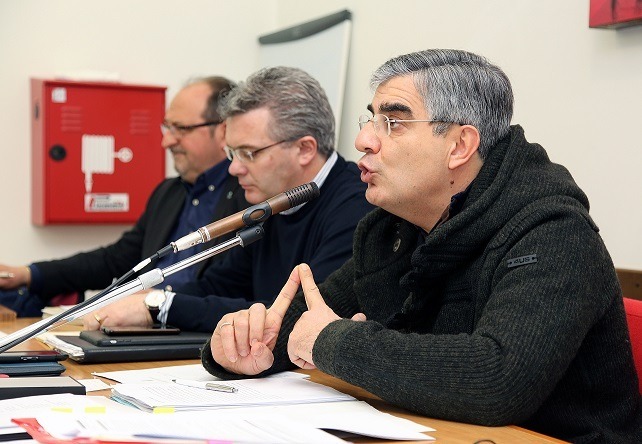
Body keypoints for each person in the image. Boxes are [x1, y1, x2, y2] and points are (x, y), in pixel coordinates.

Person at [201, 50, 642, 443]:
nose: (363, 141)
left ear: (459, 145)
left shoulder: (554, 231)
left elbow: (496, 380)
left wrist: (334, 342)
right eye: (370, 120)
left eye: (393, 122)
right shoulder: (392, 229)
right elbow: (304, 325)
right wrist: (237, 346)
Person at [83, 66, 374, 333]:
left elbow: (297, 315)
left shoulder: (358, 207)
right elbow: (222, 284)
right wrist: (145, 298)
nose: (234, 169)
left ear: (305, 149)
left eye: (248, 153)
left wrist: (162, 306)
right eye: (232, 153)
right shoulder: (270, 200)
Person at [0, 76, 248, 317]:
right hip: (141, 323)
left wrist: (156, 301)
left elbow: (230, 288)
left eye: (181, 128)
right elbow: (115, 260)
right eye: (167, 127)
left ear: (223, 131)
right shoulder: (168, 194)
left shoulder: (247, 196)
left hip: (195, 329)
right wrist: (29, 274)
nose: (166, 141)